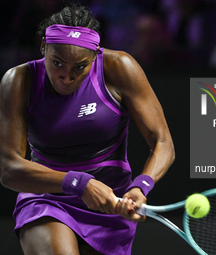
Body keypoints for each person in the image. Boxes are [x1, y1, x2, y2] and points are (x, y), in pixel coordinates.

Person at [0, 4, 175, 255]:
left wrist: (141, 186)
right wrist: (78, 182)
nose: (66, 77)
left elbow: (163, 142)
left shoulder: (120, 68)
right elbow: (9, 168)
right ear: (43, 48)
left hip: (111, 201)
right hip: (47, 197)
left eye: (79, 67)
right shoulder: (18, 81)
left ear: (95, 56)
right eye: (57, 63)